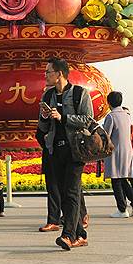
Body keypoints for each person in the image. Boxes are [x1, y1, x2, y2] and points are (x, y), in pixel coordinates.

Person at [38, 57, 93, 250]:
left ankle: (68, 235)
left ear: (59, 74)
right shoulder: (47, 96)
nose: (45, 75)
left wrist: (64, 117)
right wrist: (45, 118)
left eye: (48, 72)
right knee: (64, 193)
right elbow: (42, 126)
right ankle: (81, 235)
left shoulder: (80, 93)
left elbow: (87, 120)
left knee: (71, 192)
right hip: (55, 149)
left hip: (75, 150)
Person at [102, 92, 133, 218]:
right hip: (127, 151)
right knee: (123, 178)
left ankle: (122, 209)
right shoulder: (126, 115)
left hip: (115, 152)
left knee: (116, 180)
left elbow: (106, 135)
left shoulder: (111, 117)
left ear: (109, 103)